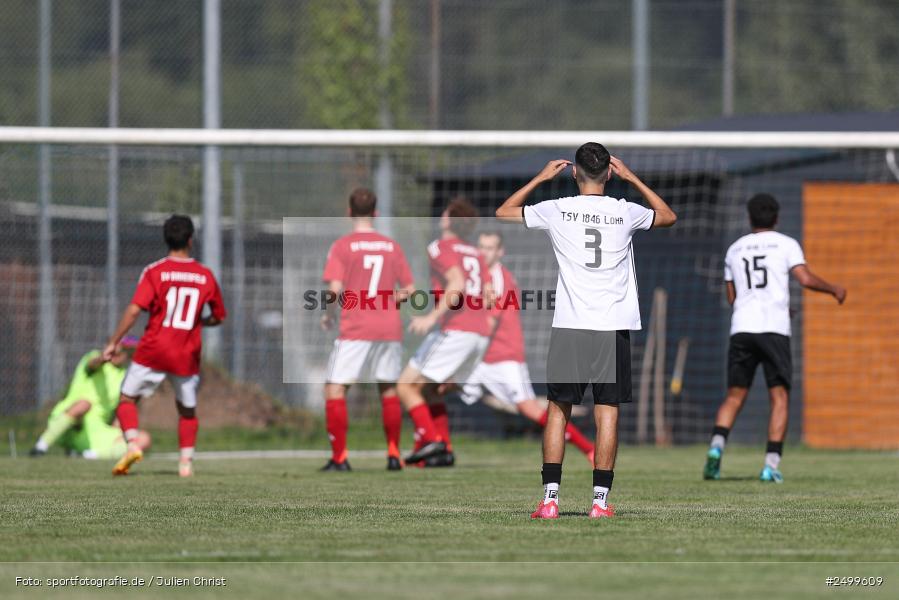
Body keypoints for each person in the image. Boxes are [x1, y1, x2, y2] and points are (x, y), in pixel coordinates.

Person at [496, 142, 677, 519]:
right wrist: (633, 178)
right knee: (606, 413)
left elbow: (503, 212)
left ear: (574, 173)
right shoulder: (625, 211)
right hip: (612, 327)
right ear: (609, 173)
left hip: (571, 326)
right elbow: (668, 215)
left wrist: (542, 178)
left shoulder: (557, 208)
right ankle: (600, 504)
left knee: (558, 411)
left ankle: (549, 500)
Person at [703, 193, 846, 483]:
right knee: (779, 397)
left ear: (749, 218)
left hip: (742, 327)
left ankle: (716, 450)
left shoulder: (735, 248)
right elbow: (804, 279)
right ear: (777, 218)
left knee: (734, 396)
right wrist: (833, 289)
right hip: (774, 329)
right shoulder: (786, 244)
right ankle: (770, 465)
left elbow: (734, 297)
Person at [103, 214, 227, 477]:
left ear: (166, 239)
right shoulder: (205, 275)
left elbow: (135, 310)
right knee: (187, 411)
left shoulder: (154, 271)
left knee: (126, 399)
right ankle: (185, 464)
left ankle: (133, 443)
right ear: (191, 241)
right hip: (186, 353)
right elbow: (218, 316)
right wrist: (201, 321)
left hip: (153, 349)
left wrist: (114, 342)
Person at [459, 231, 596, 464]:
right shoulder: (479, 278)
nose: (484, 252)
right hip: (480, 356)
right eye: (481, 247)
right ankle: (434, 446)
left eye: (490, 248)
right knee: (436, 386)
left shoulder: (499, 279)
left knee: (530, 409)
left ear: (500, 252)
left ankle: (588, 449)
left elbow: (488, 324)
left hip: (502, 358)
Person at [319, 188, 416, 472]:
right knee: (387, 389)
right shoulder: (391, 246)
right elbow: (409, 290)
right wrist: (387, 299)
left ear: (349, 212)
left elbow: (334, 291)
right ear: (375, 213)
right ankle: (394, 454)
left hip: (356, 327)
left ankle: (339, 458)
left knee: (335, 389)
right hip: (388, 327)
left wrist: (327, 315)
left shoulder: (342, 246)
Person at [397, 198, 492, 467]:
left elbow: (458, 283)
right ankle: (444, 450)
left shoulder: (439, 247)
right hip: (479, 334)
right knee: (431, 391)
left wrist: (431, 317)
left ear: (450, 219)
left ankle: (430, 441)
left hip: (456, 330)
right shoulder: (475, 254)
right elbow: (488, 296)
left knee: (405, 386)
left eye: (446, 212)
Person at [30, 337, 151, 459]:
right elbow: (93, 364)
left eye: (123, 351)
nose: (117, 353)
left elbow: (123, 408)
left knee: (143, 439)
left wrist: (120, 430)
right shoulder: (93, 358)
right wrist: (103, 358)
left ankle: (90, 454)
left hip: (96, 432)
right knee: (84, 404)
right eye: (115, 348)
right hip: (68, 424)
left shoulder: (126, 377)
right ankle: (41, 446)